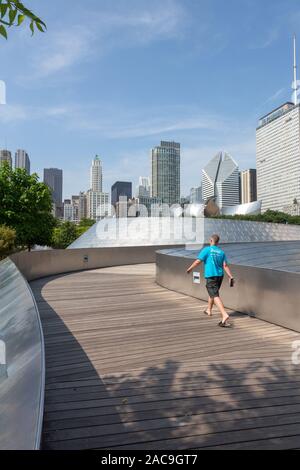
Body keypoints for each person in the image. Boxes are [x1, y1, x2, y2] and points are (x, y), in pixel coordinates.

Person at [186, 234, 234, 328]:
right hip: (220, 276)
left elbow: (198, 261)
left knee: (215, 295)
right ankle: (209, 309)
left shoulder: (207, 250)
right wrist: (230, 276)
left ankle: (224, 315)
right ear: (218, 242)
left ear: (211, 240)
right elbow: (225, 266)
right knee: (213, 292)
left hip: (211, 276)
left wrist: (190, 268)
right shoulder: (221, 252)